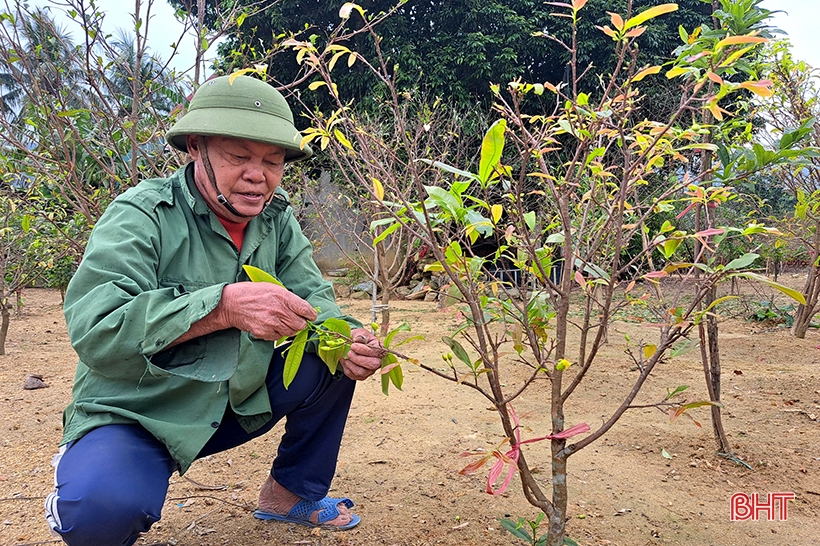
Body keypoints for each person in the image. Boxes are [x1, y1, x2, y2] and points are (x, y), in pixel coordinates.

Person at [45, 75, 385, 546]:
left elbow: (315, 299)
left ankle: (288, 495)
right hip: (139, 412)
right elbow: (97, 328)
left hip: (231, 400)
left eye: (272, 161)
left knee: (331, 356)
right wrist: (221, 307)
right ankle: (84, 476)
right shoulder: (142, 214)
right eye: (239, 156)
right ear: (196, 148)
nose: (258, 175)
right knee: (102, 509)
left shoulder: (277, 221)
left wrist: (349, 336)